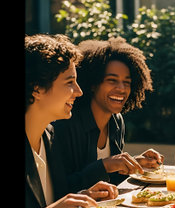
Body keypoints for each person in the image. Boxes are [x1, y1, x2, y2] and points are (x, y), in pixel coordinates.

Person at [25, 34, 118, 208]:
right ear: (37, 88)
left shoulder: (50, 136)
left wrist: (85, 194)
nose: (79, 91)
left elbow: (53, 198)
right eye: (70, 82)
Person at [52, 36, 164, 193]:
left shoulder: (116, 121)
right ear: (93, 83)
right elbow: (59, 188)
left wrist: (133, 163)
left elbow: (112, 180)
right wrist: (104, 165)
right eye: (112, 80)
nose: (122, 89)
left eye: (127, 82)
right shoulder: (66, 124)